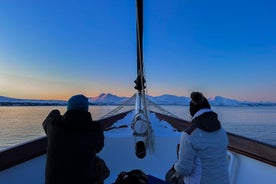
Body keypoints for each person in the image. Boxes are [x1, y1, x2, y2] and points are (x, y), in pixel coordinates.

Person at [166, 91, 229, 184]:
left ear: (192, 112)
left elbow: (184, 170)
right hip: (224, 181)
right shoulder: (221, 131)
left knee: (169, 177)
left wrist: (175, 167)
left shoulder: (189, 134)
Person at [43, 94, 107, 184]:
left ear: (68, 108)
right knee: (101, 166)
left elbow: (47, 122)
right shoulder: (95, 129)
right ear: (86, 108)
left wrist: (55, 112)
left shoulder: (54, 126)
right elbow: (99, 148)